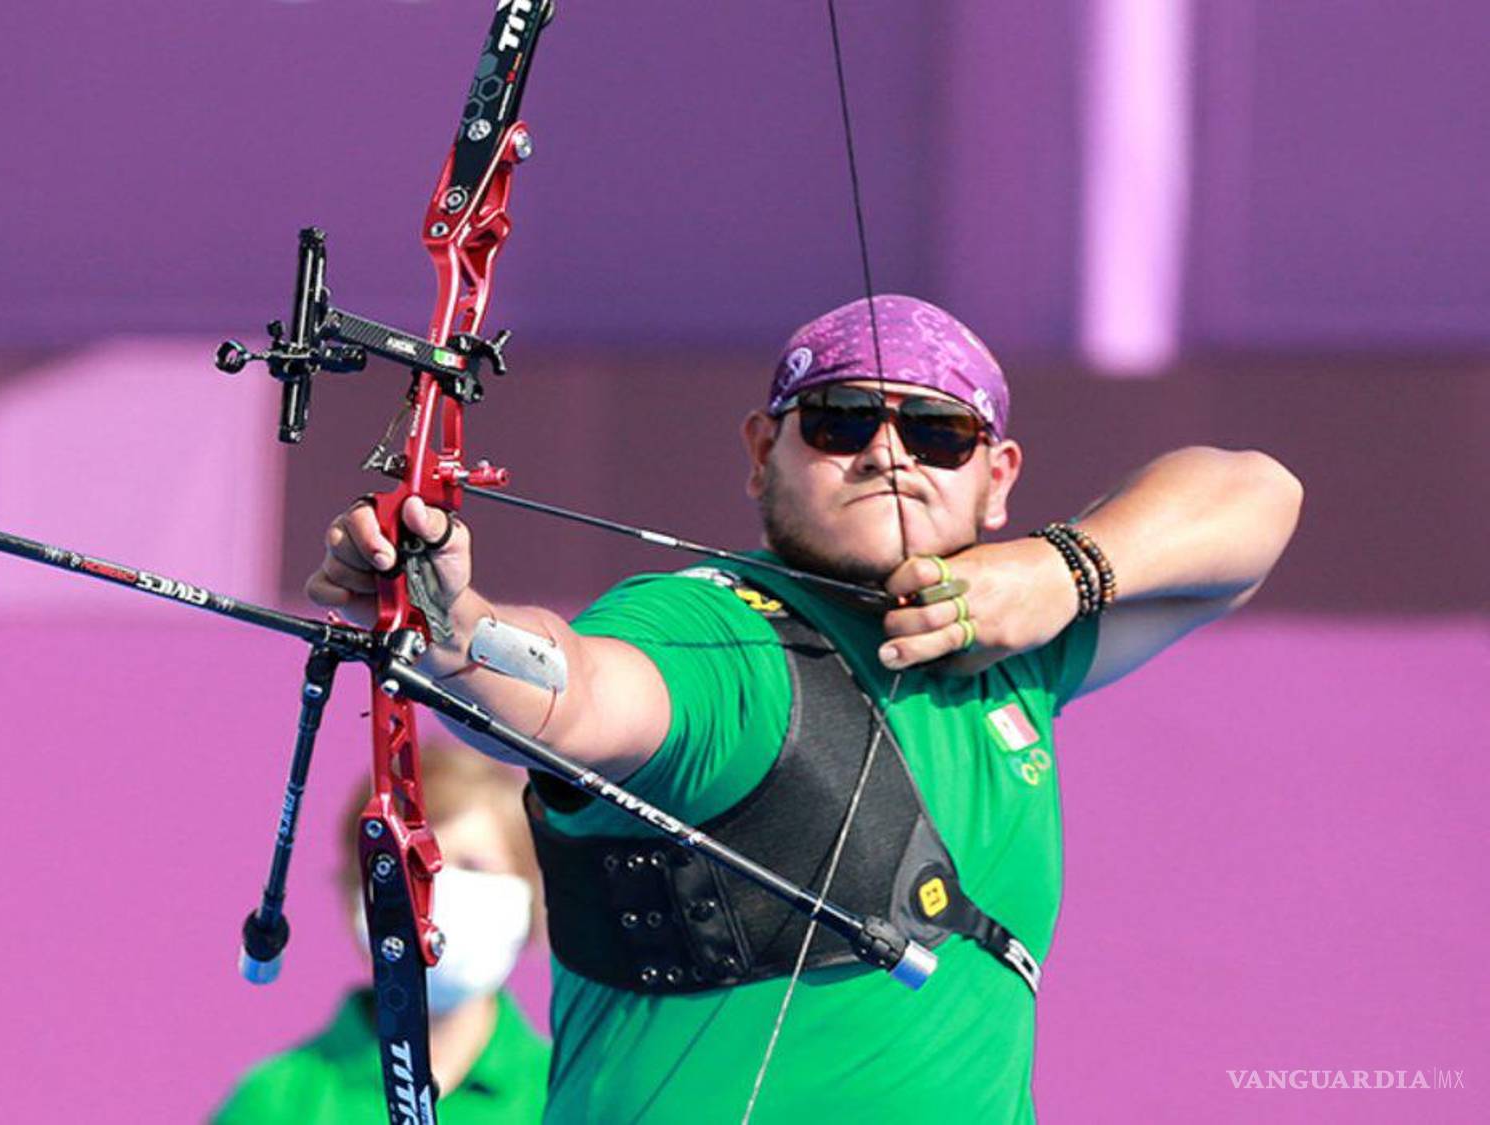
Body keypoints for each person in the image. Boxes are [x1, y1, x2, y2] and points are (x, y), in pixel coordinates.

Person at [305, 295, 1303, 1121]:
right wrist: (452, 626)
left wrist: (1065, 569)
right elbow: (574, 693)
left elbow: (1256, 496)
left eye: (937, 431)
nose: (886, 453)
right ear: (759, 451)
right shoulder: (711, 632)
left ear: (996, 478)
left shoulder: (1016, 638)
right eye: (838, 421)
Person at [211, 747, 551, 1124]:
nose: (435, 893)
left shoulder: (568, 1096)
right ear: (356, 893)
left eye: (473, 865)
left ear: (532, 894)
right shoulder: (278, 1102)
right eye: (410, 867)